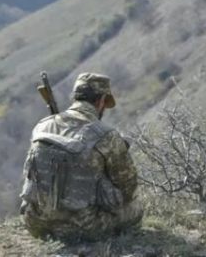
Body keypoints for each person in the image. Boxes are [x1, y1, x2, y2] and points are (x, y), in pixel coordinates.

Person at [20, 72, 143, 242]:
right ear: (101, 101)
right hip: (84, 229)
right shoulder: (106, 136)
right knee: (135, 208)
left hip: (35, 224)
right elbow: (128, 187)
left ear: (75, 98)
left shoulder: (41, 126)